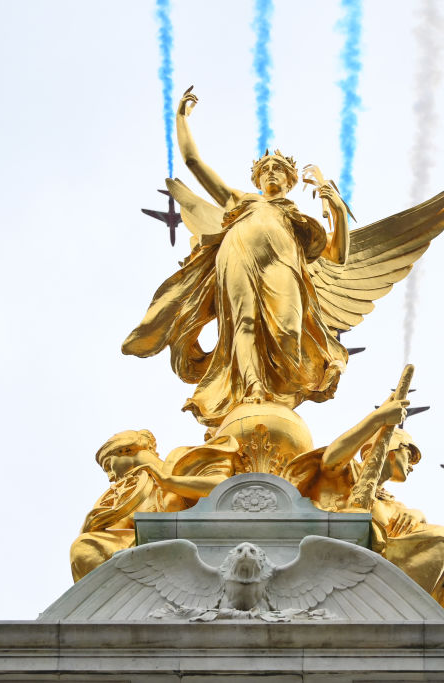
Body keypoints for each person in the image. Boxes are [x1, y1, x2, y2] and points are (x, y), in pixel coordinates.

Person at [122, 87, 350, 426]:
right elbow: (193, 163)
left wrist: (338, 209)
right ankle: (254, 388)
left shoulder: (297, 219)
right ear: (257, 178)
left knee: (288, 331)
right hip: (238, 258)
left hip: (283, 267)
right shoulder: (241, 200)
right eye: (266, 169)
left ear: (290, 180)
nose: (271, 173)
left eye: (278, 169)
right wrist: (181, 120)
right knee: (242, 325)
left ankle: (280, 391)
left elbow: (338, 255)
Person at [286, 399, 444, 612]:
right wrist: (378, 419)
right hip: (341, 569)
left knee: (442, 543)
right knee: (442, 538)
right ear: (392, 450)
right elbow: (330, 460)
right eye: (409, 454)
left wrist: (418, 515)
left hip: (378, 572)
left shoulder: (392, 502)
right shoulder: (351, 472)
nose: (412, 465)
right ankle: (398, 612)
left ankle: (401, 612)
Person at [69, 429, 233, 581]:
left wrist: (167, 481)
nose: (111, 476)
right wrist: (90, 524)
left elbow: (223, 487)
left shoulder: (180, 459)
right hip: (146, 550)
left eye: (108, 466)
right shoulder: (122, 495)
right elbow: (107, 534)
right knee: (84, 547)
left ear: (126, 451)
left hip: (199, 541)